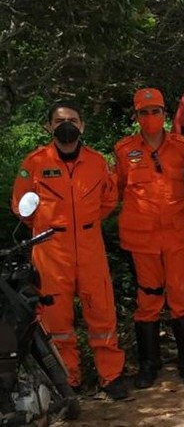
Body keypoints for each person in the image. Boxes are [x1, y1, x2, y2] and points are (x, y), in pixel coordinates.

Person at [11, 101, 128, 399]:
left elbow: (107, 200)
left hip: (90, 247)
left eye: (73, 120)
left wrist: (84, 224)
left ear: (82, 125)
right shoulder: (35, 162)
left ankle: (110, 377)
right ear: (49, 126)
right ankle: (69, 379)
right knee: (56, 320)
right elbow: (21, 206)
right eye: (60, 120)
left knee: (102, 312)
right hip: (51, 250)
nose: (67, 125)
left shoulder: (96, 161)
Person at [114, 88, 184, 389]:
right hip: (142, 240)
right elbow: (116, 189)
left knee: (181, 299)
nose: (150, 117)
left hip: (179, 236)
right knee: (147, 302)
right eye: (144, 112)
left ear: (164, 114)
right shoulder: (124, 150)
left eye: (156, 111)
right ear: (135, 116)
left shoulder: (182, 146)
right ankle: (149, 365)